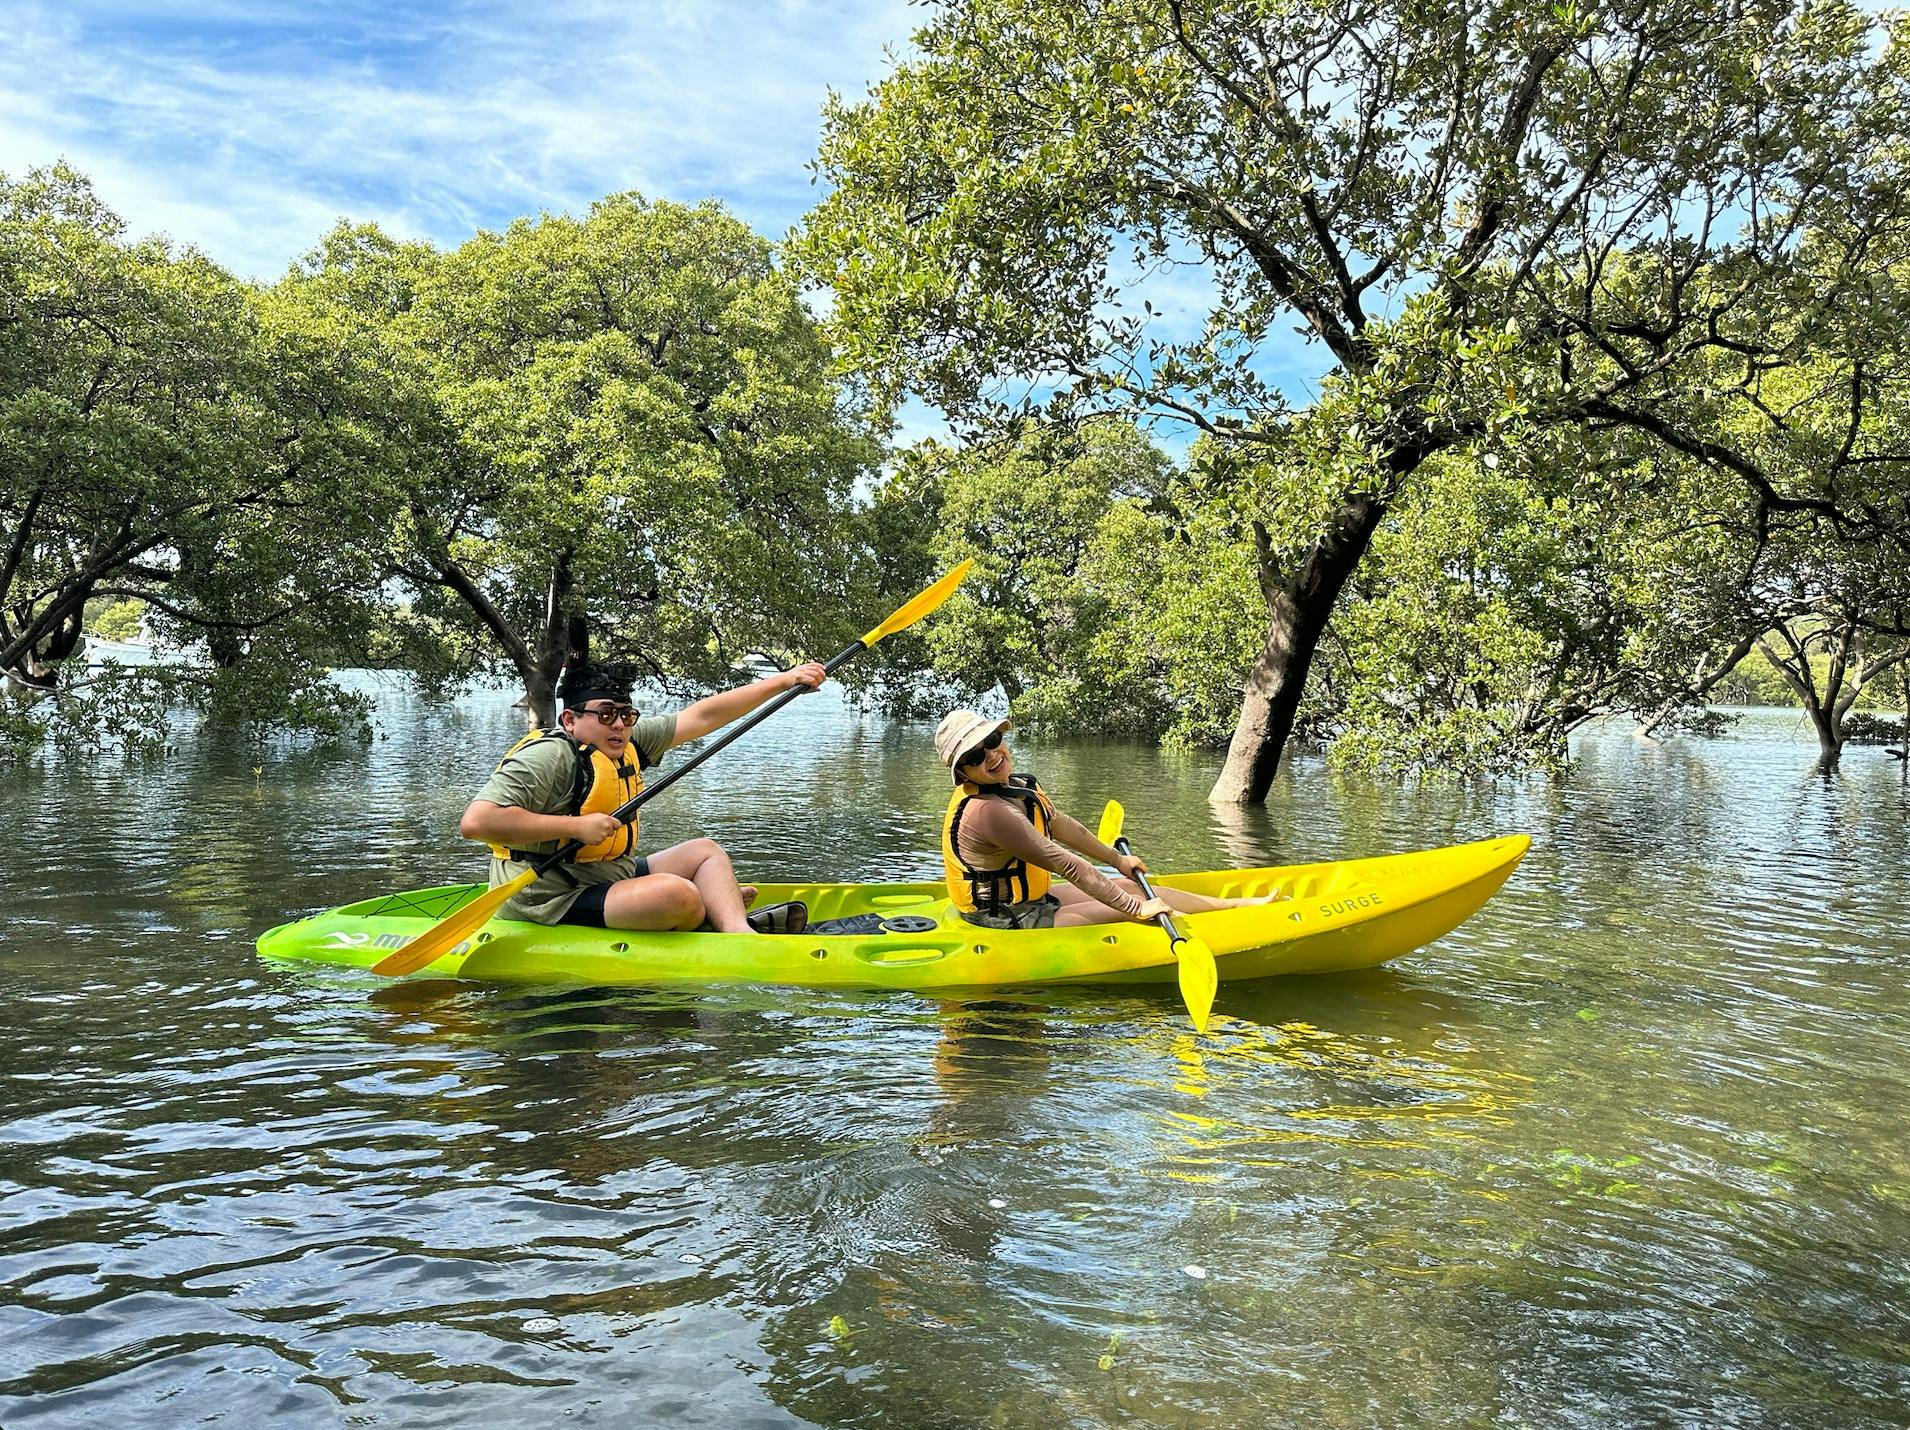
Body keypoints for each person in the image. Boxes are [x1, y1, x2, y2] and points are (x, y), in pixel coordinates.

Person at [459, 661, 824, 933]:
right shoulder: (547, 757)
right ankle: (708, 908)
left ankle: (738, 931)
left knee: (705, 851)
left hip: (607, 875)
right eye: (605, 715)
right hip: (547, 895)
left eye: (625, 714)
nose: (618, 724)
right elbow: (476, 822)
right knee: (677, 895)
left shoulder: (627, 740)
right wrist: (575, 826)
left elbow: (703, 716)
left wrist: (782, 681)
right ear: (570, 720)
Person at [935, 709, 1273, 930]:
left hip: (1032, 901)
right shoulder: (989, 812)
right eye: (977, 755)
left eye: (993, 741)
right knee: (1132, 904)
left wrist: (1117, 860)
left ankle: (1234, 906)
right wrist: (1135, 908)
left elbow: (1063, 826)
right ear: (963, 771)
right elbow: (1064, 862)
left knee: (1127, 885)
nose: (992, 755)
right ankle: (1214, 930)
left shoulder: (1019, 785)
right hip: (1004, 918)